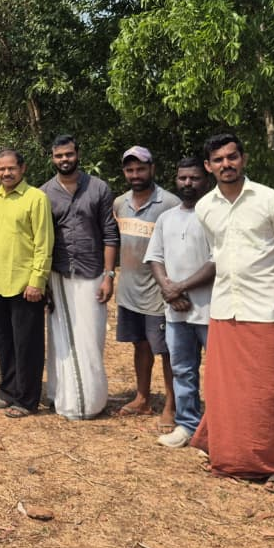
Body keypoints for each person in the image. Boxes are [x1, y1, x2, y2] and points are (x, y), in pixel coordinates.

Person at [191, 133, 274, 494]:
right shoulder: (205, 207)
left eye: (232, 157)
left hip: (265, 309)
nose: (226, 164)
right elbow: (216, 255)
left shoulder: (273, 201)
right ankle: (230, 457)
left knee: (270, 391)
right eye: (218, 160)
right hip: (223, 308)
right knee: (225, 392)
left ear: (243, 159)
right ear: (208, 167)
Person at [40, 135, 119, 420]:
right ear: (52, 158)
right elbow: (42, 240)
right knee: (60, 337)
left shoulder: (98, 188)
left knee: (91, 337)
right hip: (59, 274)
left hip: (92, 272)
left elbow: (110, 234)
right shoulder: (45, 193)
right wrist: (43, 282)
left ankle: (90, 401)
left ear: (78, 154)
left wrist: (109, 276)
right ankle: (61, 395)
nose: (65, 160)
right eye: (59, 155)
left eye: (69, 154)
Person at [144, 157, 215, 448]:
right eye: (183, 178)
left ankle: (219, 428)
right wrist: (169, 290)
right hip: (176, 313)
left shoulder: (215, 215)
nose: (188, 183)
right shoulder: (167, 217)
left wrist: (179, 288)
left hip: (211, 310)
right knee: (182, 369)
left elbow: (218, 261)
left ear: (206, 180)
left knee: (218, 373)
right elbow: (155, 257)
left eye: (194, 178)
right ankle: (187, 425)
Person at [0, 149, 54, 418]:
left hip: (25, 285)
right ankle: (8, 390)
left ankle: (27, 399)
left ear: (22, 169)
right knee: (4, 342)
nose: (6, 173)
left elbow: (43, 243)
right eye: (1, 169)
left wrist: (37, 280)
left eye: (11, 168)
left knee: (27, 345)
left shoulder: (36, 198)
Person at [112, 146, 178, 428]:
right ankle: (142, 398)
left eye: (140, 168)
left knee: (166, 350)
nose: (135, 174)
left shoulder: (170, 203)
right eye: (130, 170)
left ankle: (172, 406)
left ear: (152, 168)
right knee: (139, 345)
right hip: (129, 291)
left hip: (157, 294)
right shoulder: (120, 203)